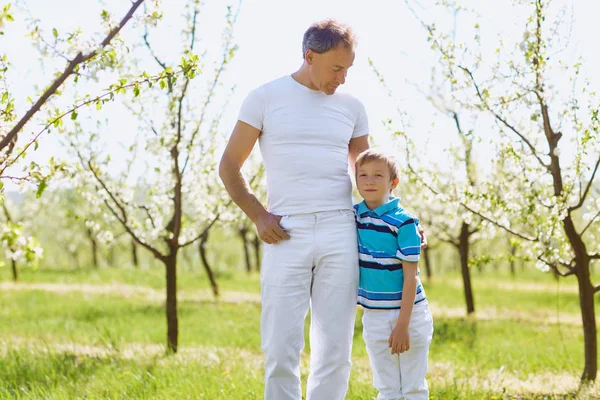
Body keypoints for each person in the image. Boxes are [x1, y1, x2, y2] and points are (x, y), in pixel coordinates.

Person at [219, 19, 370, 400]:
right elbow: (229, 166)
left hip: (340, 229)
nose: (343, 78)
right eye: (336, 68)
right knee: (281, 347)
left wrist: (398, 220)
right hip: (286, 232)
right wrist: (258, 215)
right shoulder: (265, 97)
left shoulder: (352, 107)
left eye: (348, 69)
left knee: (335, 349)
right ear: (309, 56)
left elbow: (369, 175)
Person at [354, 149, 434, 400]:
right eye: (363, 175)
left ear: (393, 183)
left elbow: (411, 278)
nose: (369, 181)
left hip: (409, 315)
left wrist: (402, 325)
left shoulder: (404, 222)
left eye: (378, 175)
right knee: (387, 388)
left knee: (413, 387)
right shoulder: (353, 215)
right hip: (374, 316)